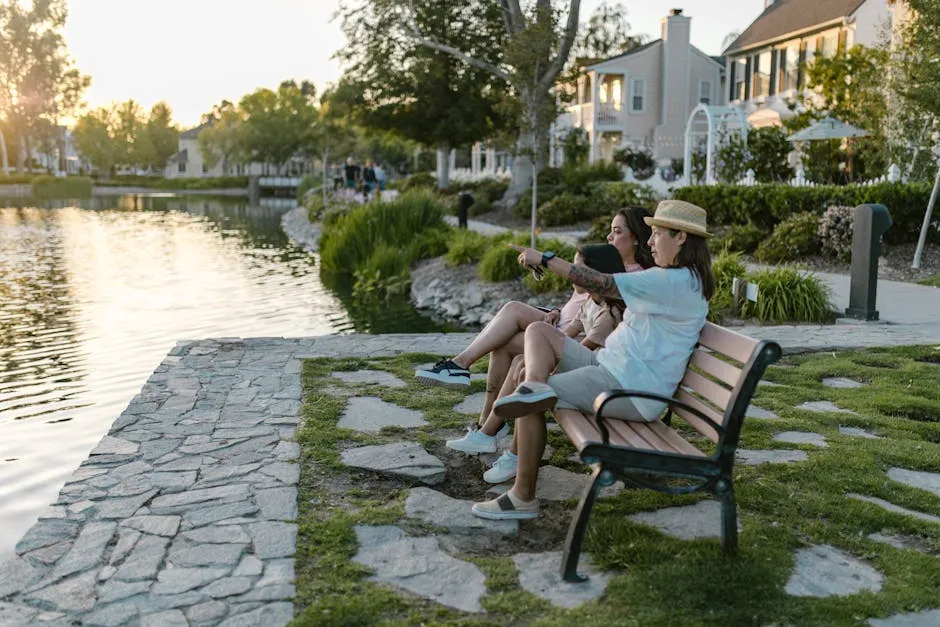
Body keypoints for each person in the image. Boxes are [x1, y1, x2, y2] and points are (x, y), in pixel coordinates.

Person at [470, 200, 715, 520]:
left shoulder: (674, 282)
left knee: (527, 400)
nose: (651, 241)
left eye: (656, 234)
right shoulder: (679, 278)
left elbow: (601, 283)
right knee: (538, 333)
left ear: (681, 237)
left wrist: (544, 258)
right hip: (609, 368)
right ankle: (535, 384)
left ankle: (522, 498)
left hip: (630, 389)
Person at [443, 244, 626, 462]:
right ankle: (490, 435)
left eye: (578, 270)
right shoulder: (590, 302)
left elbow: (580, 350)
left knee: (526, 369)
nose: (572, 275)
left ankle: (503, 445)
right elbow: (566, 338)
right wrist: (550, 327)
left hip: (595, 375)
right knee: (523, 361)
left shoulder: (610, 313)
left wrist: (544, 348)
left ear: (595, 274)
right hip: (582, 364)